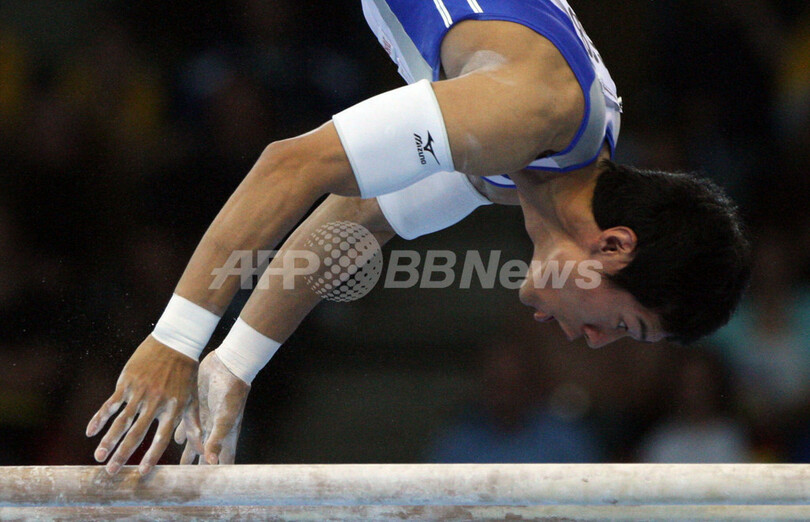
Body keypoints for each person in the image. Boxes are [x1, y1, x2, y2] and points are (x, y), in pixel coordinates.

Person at [86, 0, 750, 475]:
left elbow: (353, 220)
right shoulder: (529, 115)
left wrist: (234, 365)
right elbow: (289, 166)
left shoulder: (514, 171)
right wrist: (175, 339)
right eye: (623, 325)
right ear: (614, 247)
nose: (591, 340)